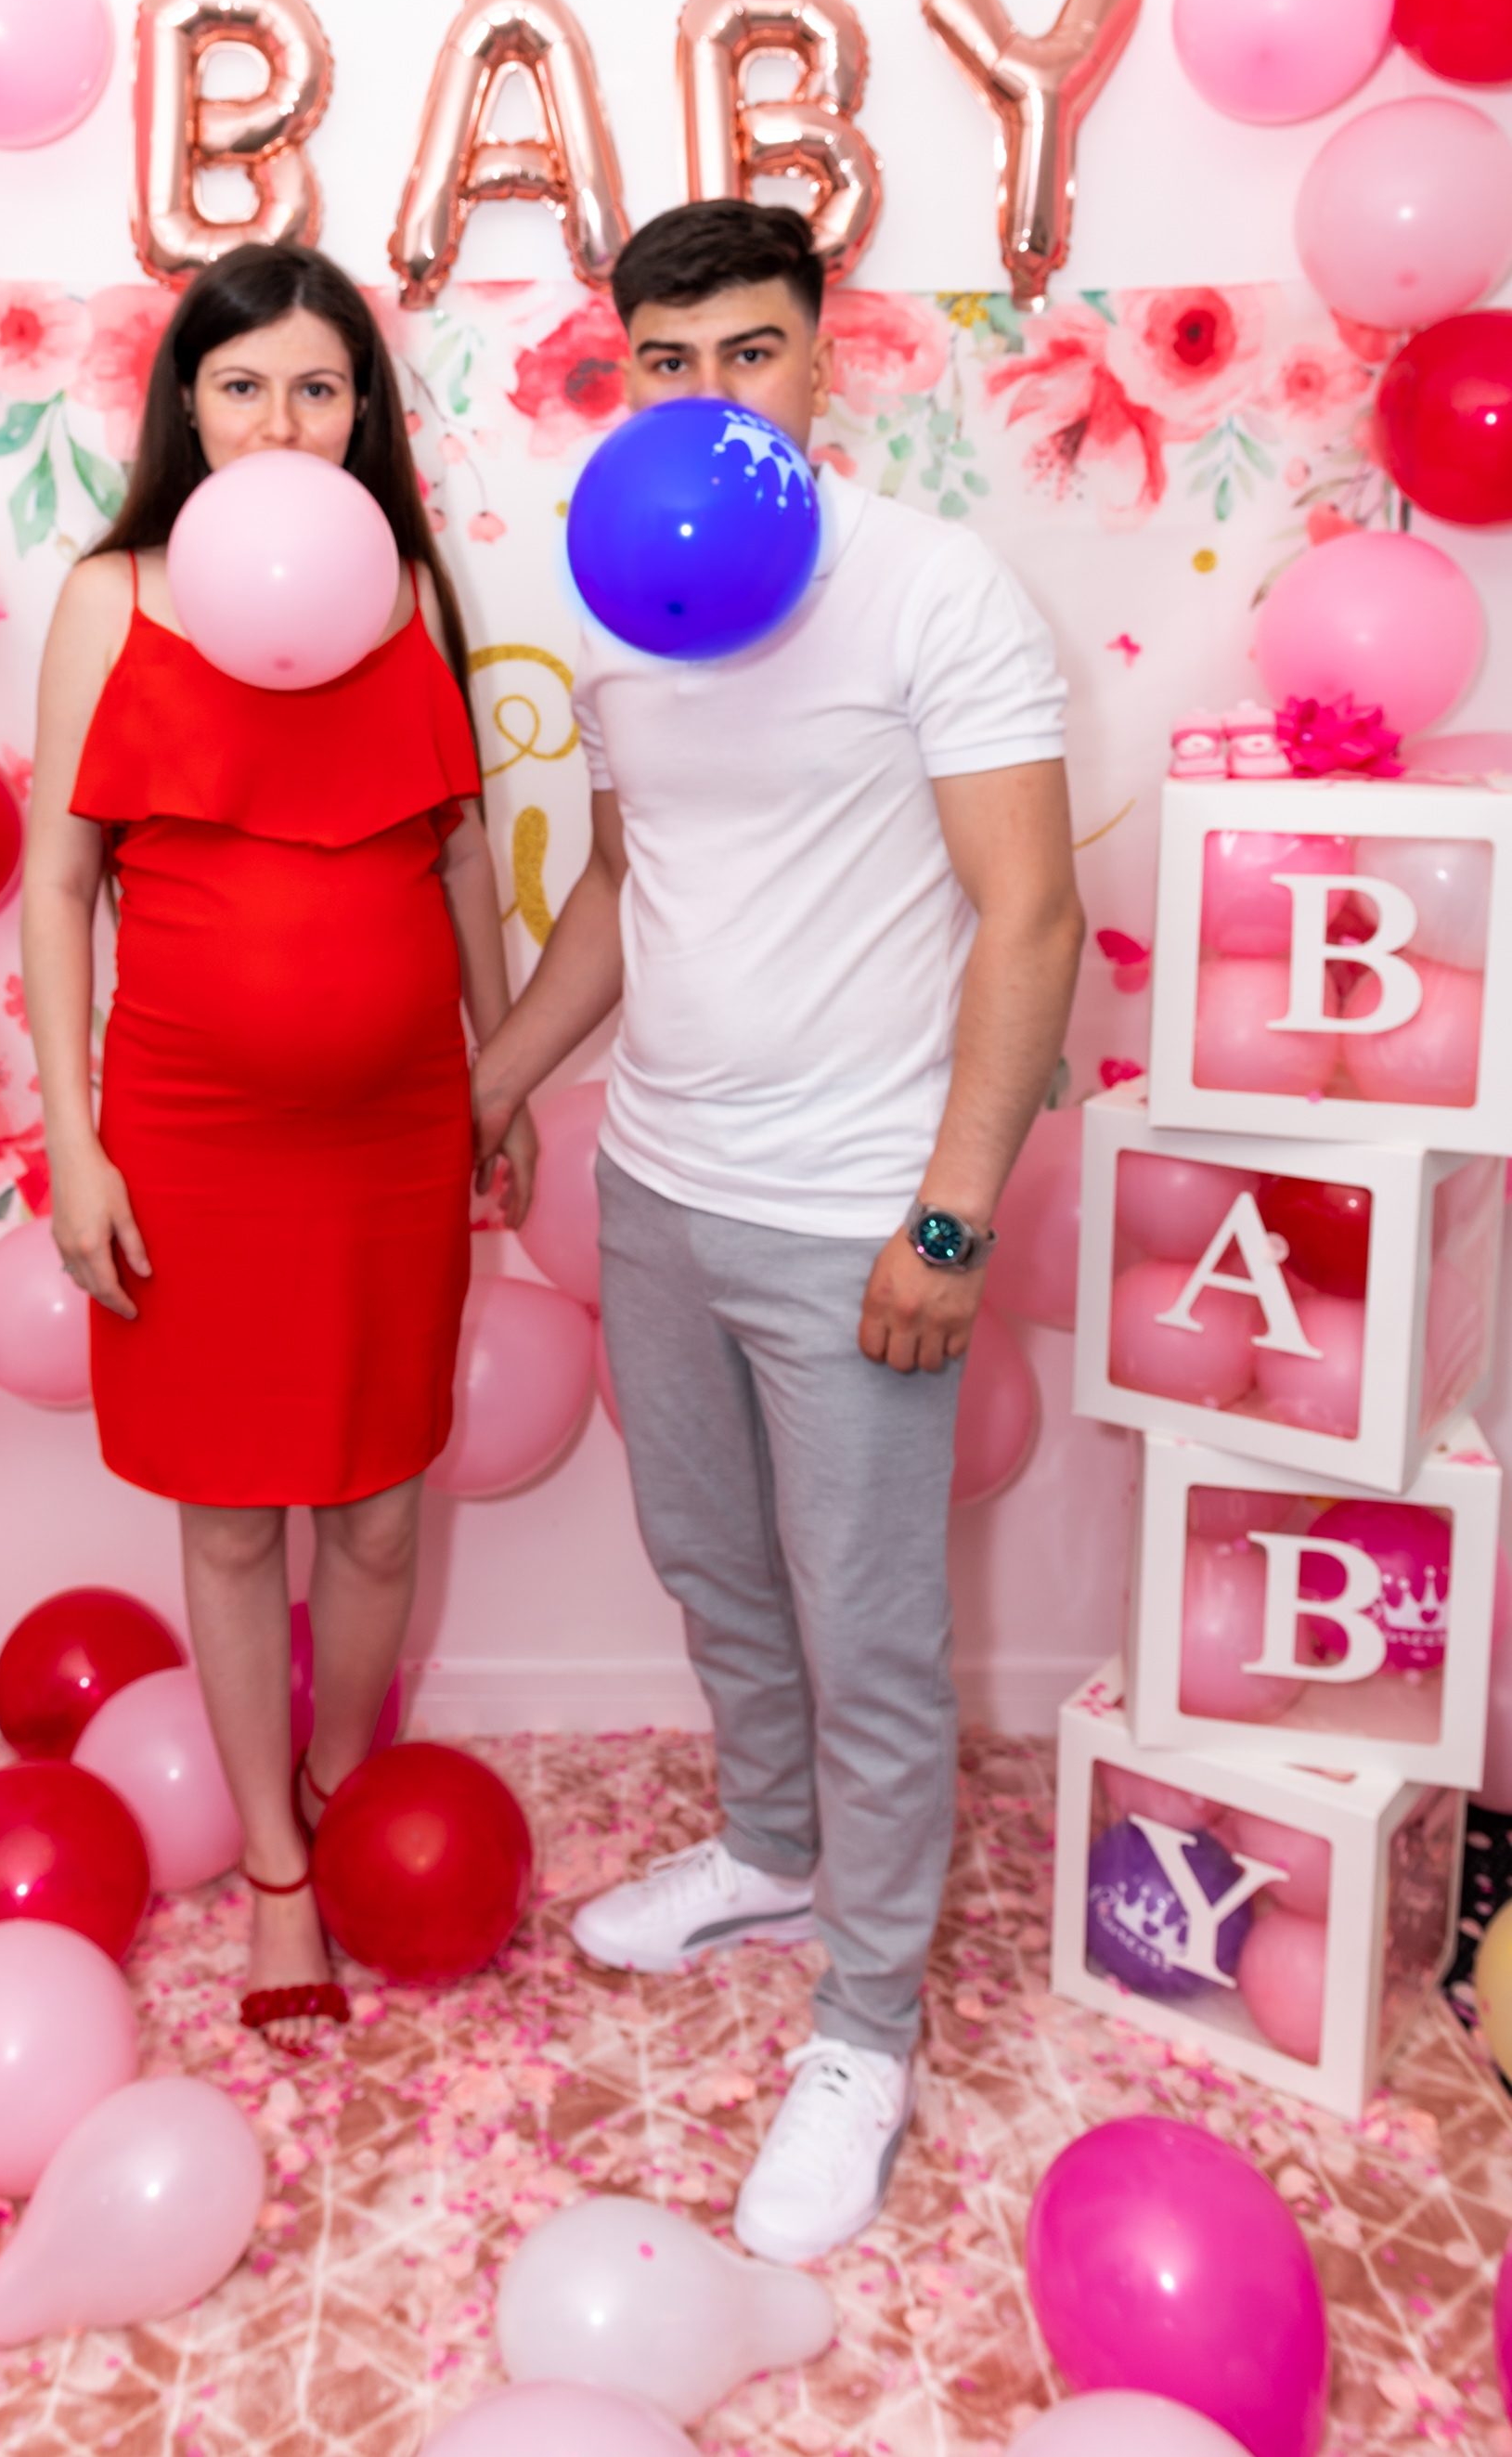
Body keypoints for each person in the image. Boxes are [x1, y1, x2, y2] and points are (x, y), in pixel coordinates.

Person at [472, 200, 1082, 2261]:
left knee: (870, 1631)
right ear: (623, 372)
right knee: (713, 1564)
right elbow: (622, 890)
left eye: (751, 350)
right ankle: (769, 1848)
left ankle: (870, 2028)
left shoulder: (931, 588)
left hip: (855, 1215)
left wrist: (950, 1221)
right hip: (656, 1187)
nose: (710, 392)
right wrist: (496, 1082)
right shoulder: (627, 587)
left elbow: (1032, 915)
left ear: (826, 359)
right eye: (669, 358)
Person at [22, 240, 535, 2052]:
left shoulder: (407, 588)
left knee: (381, 1508)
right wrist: (75, 1144)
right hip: (190, 1137)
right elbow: (57, 885)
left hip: (393, 1137)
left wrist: (499, 1074)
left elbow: (461, 854)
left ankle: (333, 1782)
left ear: (362, 410)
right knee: (234, 1519)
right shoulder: (113, 598)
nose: (280, 421)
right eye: (242, 386)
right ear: (190, 406)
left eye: (318, 387)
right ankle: (274, 1868)